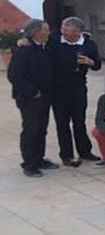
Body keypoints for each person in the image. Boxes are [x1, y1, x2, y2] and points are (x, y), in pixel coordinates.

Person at [8, 19, 59, 177]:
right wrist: (32, 91)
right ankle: (29, 164)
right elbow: (14, 75)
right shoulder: (24, 49)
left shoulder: (42, 47)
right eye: (46, 30)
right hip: (29, 98)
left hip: (44, 96)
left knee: (41, 129)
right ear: (37, 32)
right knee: (31, 129)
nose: (49, 33)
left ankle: (39, 158)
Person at [49, 16, 101, 165]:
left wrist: (89, 62)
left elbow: (97, 65)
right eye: (62, 28)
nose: (62, 31)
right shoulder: (54, 39)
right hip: (58, 89)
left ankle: (85, 151)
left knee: (79, 122)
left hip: (78, 88)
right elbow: (36, 37)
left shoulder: (89, 45)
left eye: (66, 29)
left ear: (78, 31)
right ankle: (67, 155)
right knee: (62, 123)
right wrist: (23, 41)